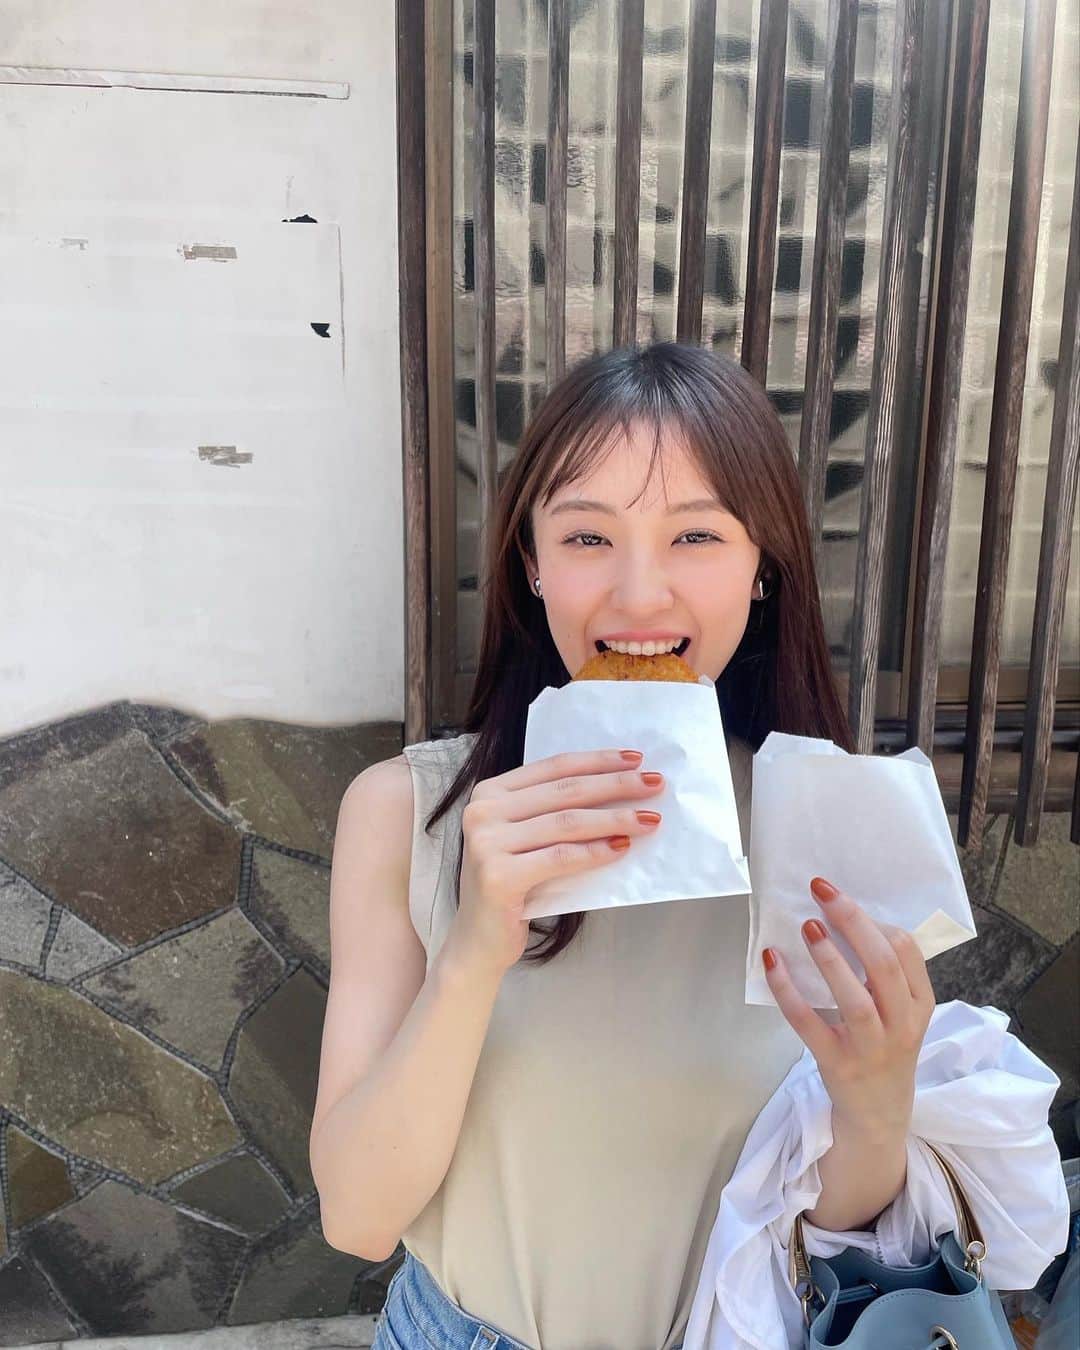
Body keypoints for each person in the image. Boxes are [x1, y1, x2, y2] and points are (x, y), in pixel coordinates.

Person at [308, 342, 943, 1350]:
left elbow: (826, 1235)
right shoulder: (408, 812)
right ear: (531, 562)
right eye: (588, 537)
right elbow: (357, 1218)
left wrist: (877, 1103)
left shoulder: (833, 828)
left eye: (695, 535)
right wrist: (474, 951)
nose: (640, 596)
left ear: (763, 566)